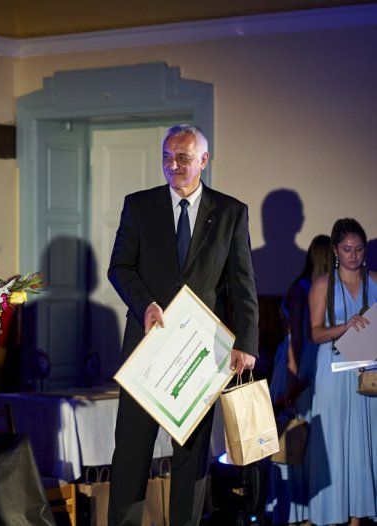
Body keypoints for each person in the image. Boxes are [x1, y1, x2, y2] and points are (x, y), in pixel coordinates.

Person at [107, 124, 259, 526]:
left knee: (190, 459)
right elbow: (119, 267)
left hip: (201, 352)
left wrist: (247, 343)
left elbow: (243, 287)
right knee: (131, 454)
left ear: (204, 160)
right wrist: (146, 305)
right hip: (147, 344)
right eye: (167, 157)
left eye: (183, 158)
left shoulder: (230, 212)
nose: (173, 165)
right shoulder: (139, 206)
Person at [307, 218, 377, 526]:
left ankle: (358, 518)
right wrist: (344, 327)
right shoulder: (324, 283)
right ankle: (331, 515)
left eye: (359, 249)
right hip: (334, 371)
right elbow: (315, 333)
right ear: (336, 250)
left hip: (368, 372)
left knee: (365, 444)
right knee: (335, 444)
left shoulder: (375, 279)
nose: (353, 255)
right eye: (347, 249)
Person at [266, 234, 330, 525]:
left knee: (306, 437)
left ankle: (302, 511)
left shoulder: (317, 289)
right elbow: (297, 338)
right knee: (291, 433)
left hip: (307, 362)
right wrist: (293, 383)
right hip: (297, 362)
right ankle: (293, 511)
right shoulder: (302, 288)